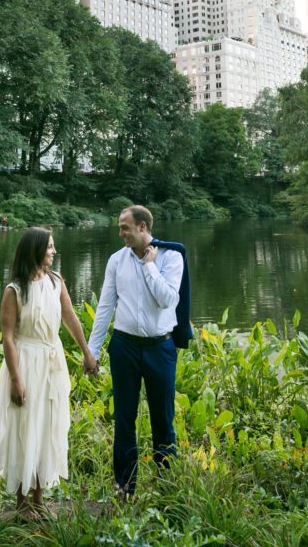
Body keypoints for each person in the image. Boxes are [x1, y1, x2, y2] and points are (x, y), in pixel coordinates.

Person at [0, 226, 98, 517]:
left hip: (51, 360)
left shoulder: (56, 282)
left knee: (46, 426)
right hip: (26, 361)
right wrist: (16, 379)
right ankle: (22, 503)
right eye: (49, 247)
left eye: (53, 247)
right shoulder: (15, 290)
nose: (53, 252)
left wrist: (86, 353)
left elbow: (70, 318)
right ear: (35, 250)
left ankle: (39, 499)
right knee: (25, 428)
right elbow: (7, 337)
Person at [86, 205, 190, 498]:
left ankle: (166, 484)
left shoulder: (172, 257)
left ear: (143, 227)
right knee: (124, 417)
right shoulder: (116, 261)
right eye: (120, 227)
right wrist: (92, 350)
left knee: (163, 418)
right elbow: (105, 307)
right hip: (124, 347)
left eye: (125, 228)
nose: (121, 233)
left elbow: (168, 300)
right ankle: (125, 486)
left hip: (161, 348)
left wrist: (149, 266)